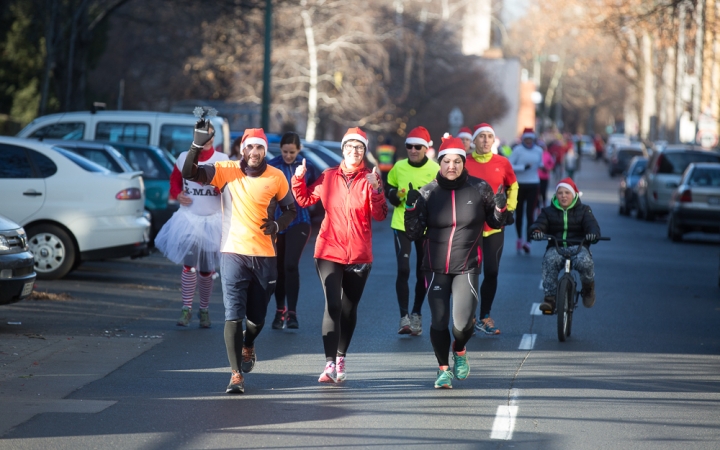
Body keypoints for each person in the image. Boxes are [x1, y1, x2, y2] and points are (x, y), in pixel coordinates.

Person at [182, 124, 297, 394]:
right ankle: (236, 375)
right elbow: (189, 173)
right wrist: (196, 146)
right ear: (241, 148)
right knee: (233, 316)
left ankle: (249, 344)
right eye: (249, 146)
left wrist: (278, 225)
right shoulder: (226, 170)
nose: (254, 151)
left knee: (256, 319)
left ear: (264, 150)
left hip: (265, 256)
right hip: (233, 252)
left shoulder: (277, 176)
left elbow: (290, 209)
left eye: (259, 147)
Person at [404, 137, 508, 389]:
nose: (452, 166)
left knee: (461, 325)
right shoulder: (428, 192)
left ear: (464, 162)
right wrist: (410, 209)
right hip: (435, 266)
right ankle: (443, 369)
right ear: (439, 163)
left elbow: (494, 224)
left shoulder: (479, 188)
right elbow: (414, 233)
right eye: (447, 161)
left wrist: (500, 209)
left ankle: (459, 350)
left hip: (467, 266)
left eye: (457, 161)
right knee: (439, 321)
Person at [293, 127, 387, 383]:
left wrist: (377, 191)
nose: (354, 151)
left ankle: (342, 355)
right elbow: (304, 200)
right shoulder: (328, 176)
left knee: (348, 308)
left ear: (364, 151)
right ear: (343, 149)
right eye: (350, 146)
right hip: (328, 250)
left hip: (358, 254)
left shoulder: (370, 179)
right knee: (333, 304)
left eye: (359, 147)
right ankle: (329, 363)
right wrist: (298, 178)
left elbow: (380, 215)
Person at [156, 122, 228, 328]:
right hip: (188, 219)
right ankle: (186, 308)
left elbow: (229, 188)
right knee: (189, 265)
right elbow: (174, 181)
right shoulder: (183, 157)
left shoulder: (222, 160)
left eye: (211, 135)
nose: (208, 139)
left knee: (207, 269)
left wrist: (218, 188)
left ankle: (203, 310)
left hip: (213, 220)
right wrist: (178, 194)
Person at [464, 123, 518, 335]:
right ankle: (469, 316)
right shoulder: (464, 162)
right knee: (470, 273)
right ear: (474, 141)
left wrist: (510, 208)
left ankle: (485, 315)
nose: (486, 140)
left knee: (492, 272)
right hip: (470, 227)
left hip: (495, 226)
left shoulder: (502, 162)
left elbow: (513, 185)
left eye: (489, 137)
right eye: (482, 137)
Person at [385, 126, 440, 336]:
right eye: (409, 146)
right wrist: (395, 195)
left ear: (426, 148)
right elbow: (389, 188)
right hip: (402, 225)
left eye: (418, 146)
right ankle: (404, 318)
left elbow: (442, 197)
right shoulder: (398, 166)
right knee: (403, 270)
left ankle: (417, 314)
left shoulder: (435, 169)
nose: (413, 150)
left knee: (422, 272)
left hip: (426, 227)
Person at [267, 132, 321, 329]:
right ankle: (279, 310)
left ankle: (292, 313)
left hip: (300, 220)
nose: (288, 155)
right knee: (278, 268)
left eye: (292, 152)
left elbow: (317, 190)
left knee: (291, 264)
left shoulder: (308, 168)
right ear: (280, 150)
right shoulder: (272, 166)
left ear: (299, 150)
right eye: (285, 152)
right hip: (278, 223)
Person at [529, 178, 601, 313]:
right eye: (560, 193)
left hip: (578, 247)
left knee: (585, 263)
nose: (563, 196)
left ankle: (588, 288)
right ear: (556, 195)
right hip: (556, 247)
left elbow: (592, 226)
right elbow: (538, 224)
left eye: (567, 192)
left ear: (573, 195)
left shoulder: (584, 210)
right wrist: (536, 231)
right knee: (549, 261)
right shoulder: (547, 211)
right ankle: (550, 299)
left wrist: (593, 235)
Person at [509, 128, 544, 254]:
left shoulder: (538, 150)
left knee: (530, 215)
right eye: (526, 139)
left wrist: (542, 166)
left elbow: (541, 163)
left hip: (534, 184)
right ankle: (519, 238)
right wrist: (523, 167)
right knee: (519, 214)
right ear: (523, 139)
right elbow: (509, 165)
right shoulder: (518, 150)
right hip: (519, 185)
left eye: (531, 139)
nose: (529, 141)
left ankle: (528, 242)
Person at [538, 143, 555, 208]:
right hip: (537, 177)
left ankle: (544, 204)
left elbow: (552, 164)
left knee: (543, 192)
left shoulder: (547, 154)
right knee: (537, 194)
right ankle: (538, 207)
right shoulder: (537, 154)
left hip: (545, 177)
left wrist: (547, 168)